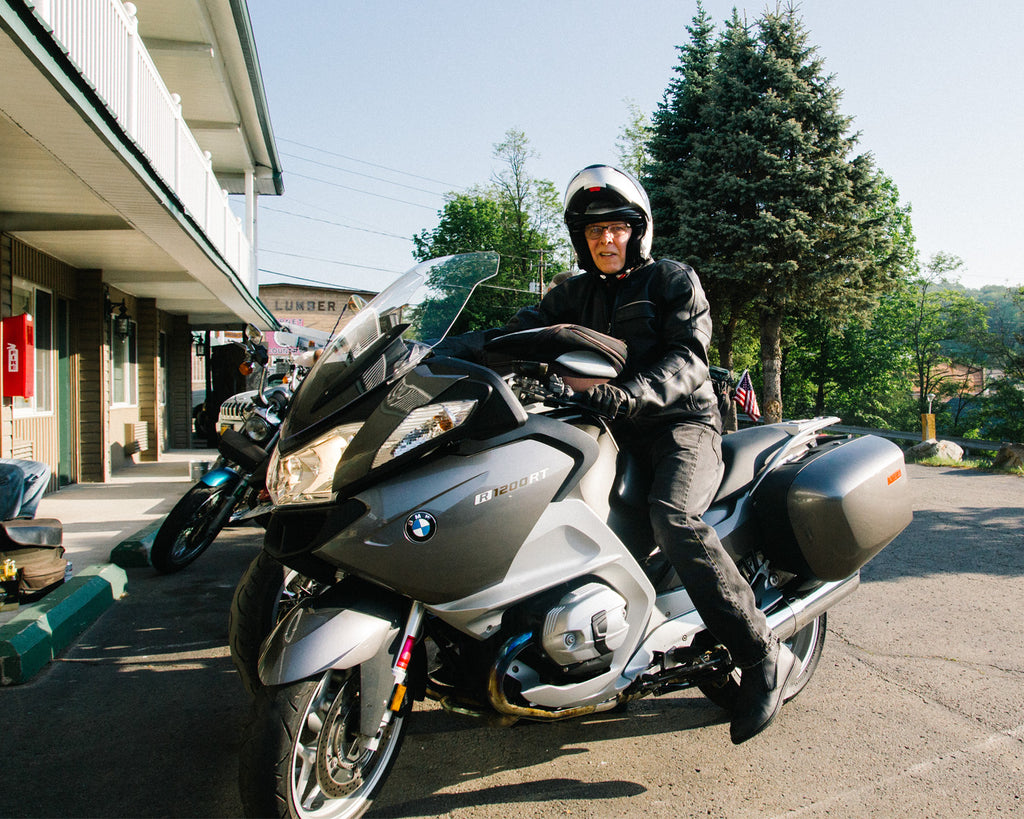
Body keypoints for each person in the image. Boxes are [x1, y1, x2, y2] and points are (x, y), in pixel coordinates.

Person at [505, 164, 799, 744]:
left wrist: (631, 394)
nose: (605, 240)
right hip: (603, 428)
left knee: (673, 516)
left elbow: (688, 360)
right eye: (593, 232)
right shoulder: (569, 293)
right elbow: (516, 336)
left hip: (679, 427)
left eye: (615, 228)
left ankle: (762, 653)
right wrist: (441, 355)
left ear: (636, 231)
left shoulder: (671, 280)